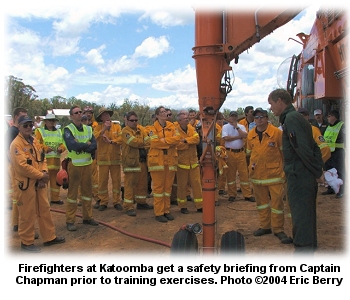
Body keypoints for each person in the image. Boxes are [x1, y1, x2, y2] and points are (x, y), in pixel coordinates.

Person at [268, 88, 324, 253]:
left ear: (280, 101)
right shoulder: (295, 118)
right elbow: (313, 147)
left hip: (299, 176)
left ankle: (303, 253)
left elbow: (302, 148)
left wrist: (317, 172)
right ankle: (308, 249)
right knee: (306, 215)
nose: (271, 108)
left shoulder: (291, 119)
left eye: (271, 103)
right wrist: (318, 169)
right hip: (302, 175)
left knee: (301, 217)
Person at [10, 115, 65, 252]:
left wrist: (43, 174)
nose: (29, 128)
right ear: (19, 127)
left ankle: (49, 237)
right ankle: (27, 242)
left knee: (44, 210)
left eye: (30, 125)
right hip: (26, 185)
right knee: (27, 213)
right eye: (25, 125)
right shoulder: (16, 145)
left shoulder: (34, 142)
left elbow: (42, 159)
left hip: (39, 184)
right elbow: (22, 166)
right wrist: (41, 176)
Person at [246, 108, 291, 244]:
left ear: (267, 118)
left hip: (275, 176)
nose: (259, 119)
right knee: (262, 204)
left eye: (262, 117)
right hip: (257, 176)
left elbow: (284, 153)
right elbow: (249, 153)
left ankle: (278, 229)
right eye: (256, 117)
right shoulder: (250, 135)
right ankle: (265, 227)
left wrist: (284, 170)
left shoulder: (276, 133)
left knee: (277, 204)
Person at [63, 105, 98, 231]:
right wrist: (86, 145)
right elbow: (72, 146)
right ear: (71, 116)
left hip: (87, 165)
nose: (79, 114)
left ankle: (87, 217)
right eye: (76, 112)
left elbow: (94, 145)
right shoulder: (68, 129)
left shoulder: (88, 129)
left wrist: (82, 145)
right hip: (75, 166)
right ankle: (70, 220)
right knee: (72, 195)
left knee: (87, 193)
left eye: (80, 112)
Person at [147, 106, 181, 222]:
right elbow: (154, 143)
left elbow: (177, 139)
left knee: (168, 188)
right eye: (161, 112)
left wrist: (164, 141)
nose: (164, 113)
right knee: (158, 189)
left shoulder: (173, 127)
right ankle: (159, 212)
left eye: (165, 111)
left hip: (170, 161)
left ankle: (166, 210)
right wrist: (169, 143)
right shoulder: (151, 128)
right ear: (157, 116)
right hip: (157, 162)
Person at [121, 111, 153, 216]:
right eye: (132, 120)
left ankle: (141, 202)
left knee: (142, 183)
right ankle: (128, 206)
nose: (134, 122)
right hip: (131, 163)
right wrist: (143, 142)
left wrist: (143, 142)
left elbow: (149, 141)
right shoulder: (125, 131)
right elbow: (133, 142)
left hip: (142, 161)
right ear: (127, 121)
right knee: (130, 185)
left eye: (136, 120)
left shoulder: (141, 130)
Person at [93, 107, 123, 211]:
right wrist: (104, 129)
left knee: (116, 181)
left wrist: (111, 141)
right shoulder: (98, 127)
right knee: (102, 182)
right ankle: (103, 201)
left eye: (107, 114)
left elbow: (121, 139)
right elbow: (94, 138)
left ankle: (116, 201)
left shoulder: (117, 126)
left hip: (115, 158)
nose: (106, 116)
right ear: (101, 118)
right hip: (103, 159)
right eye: (104, 115)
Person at [221, 111, 255, 202]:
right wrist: (237, 137)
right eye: (232, 116)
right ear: (229, 117)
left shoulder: (241, 126)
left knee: (244, 174)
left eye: (235, 116)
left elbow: (244, 135)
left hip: (240, 153)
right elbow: (225, 138)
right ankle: (232, 194)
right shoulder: (225, 127)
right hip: (230, 153)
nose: (233, 118)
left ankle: (247, 194)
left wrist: (236, 127)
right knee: (231, 175)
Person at [34, 113, 66, 205]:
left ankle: (55, 198)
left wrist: (61, 148)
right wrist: (45, 148)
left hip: (55, 161)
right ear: (46, 122)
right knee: (44, 181)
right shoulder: (40, 131)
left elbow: (63, 143)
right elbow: (36, 143)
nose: (52, 122)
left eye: (53, 121)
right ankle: (43, 200)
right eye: (50, 120)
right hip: (44, 162)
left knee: (55, 181)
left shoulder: (59, 132)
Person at [175, 112, 203, 214]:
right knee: (182, 186)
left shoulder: (191, 128)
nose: (187, 119)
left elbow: (197, 139)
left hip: (193, 162)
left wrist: (185, 141)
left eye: (187, 118)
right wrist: (188, 143)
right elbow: (177, 145)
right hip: (182, 163)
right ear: (179, 121)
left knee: (196, 184)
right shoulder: (175, 130)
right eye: (184, 118)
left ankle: (199, 206)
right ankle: (183, 206)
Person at [6, 107, 28, 232]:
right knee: (20, 197)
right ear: (15, 118)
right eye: (22, 117)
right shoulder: (13, 133)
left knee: (17, 197)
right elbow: (10, 152)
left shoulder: (15, 131)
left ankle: (16, 223)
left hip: (16, 167)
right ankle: (18, 224)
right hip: (16, 168)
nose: (25, 120)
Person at [322, 109, 345, 198]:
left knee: (340, 171)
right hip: (329, 153)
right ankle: (331, 188)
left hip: (338, 152)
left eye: (329, 116)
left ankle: (342, 190)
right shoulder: (328, 126)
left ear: (334, 117)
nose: (327, 118)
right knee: (329, 171)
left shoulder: (342, 126)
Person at [82, 106, 99, 205]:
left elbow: (95, 142)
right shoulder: (77, 127)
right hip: (81, 156)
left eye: (90, 113)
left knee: (95, 179)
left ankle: (97, 197)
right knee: (82, 179)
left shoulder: (95, 125)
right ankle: (81, 198)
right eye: (86, 112)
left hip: (92, 155)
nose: (88, 114)